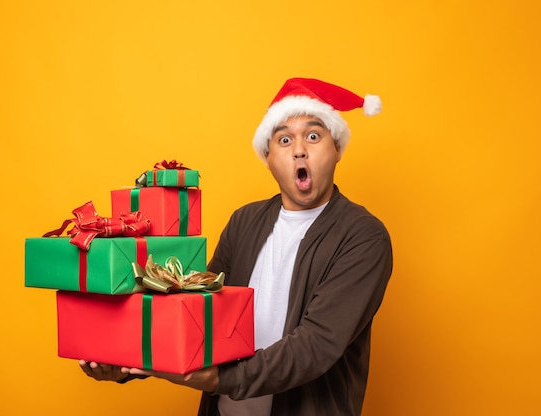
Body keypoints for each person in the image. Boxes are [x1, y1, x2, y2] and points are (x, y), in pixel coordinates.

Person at [80, 77, 393, 416]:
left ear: (337, 149)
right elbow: (197, 315)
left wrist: (220, 378)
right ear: (268, 157)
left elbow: (315, 346)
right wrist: (128, 362)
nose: (299, 149)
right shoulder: (245, 221)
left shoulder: (363, 236)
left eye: (314, 136)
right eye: (284, 139)